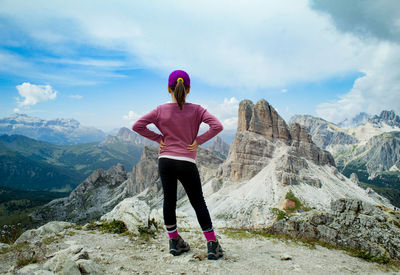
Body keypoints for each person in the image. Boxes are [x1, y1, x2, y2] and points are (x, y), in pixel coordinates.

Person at [132, 69, 224, 260]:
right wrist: (198, 141)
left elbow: (137, 126)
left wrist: (159, 138)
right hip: (186, 161)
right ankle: (212, 244)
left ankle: (174, 242)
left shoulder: (159, 110)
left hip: (165, 161)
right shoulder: (198, 110)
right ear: (188, 90)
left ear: (168, 88)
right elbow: (217, 126)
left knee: (169, 200)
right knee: (198, 202)